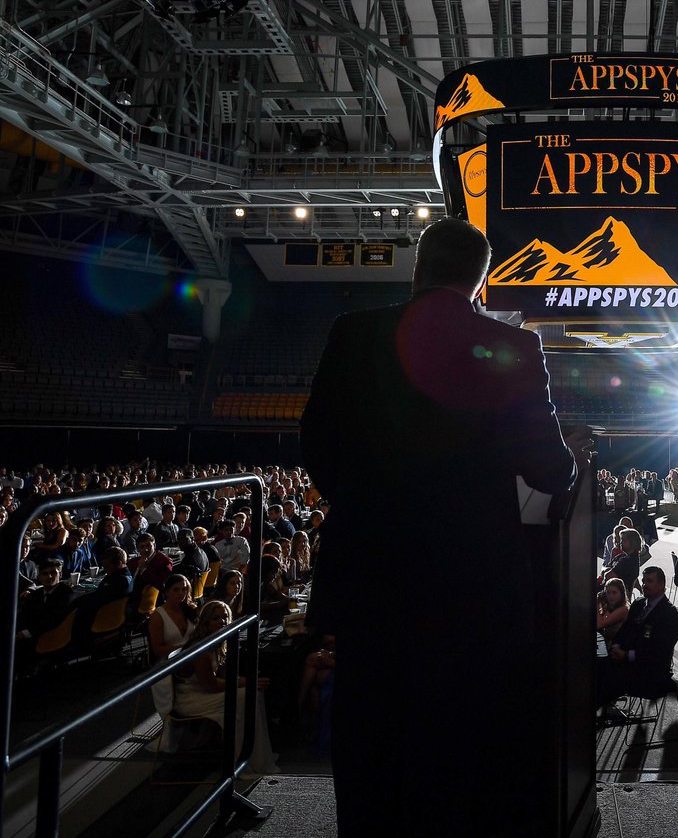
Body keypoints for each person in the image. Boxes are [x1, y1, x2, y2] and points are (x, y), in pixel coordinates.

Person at [301, 217, 583, 836]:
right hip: (472, 586)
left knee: (369, 737)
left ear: (418, 268)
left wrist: (369, 508)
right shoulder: (511, 347)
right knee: (456, 742)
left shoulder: (353, 333)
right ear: (481, 280)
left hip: (370, 577)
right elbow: (549, 470)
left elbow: (315, 442)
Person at [172, 601, 278, 775]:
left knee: (254, 692)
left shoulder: (218, 641)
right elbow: (211, 685)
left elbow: (224, 674)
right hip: (192, 696)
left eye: (225, 617)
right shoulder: (201, 649)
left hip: (206, 689)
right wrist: (246, 683)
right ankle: (243, 760)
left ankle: (256, 754)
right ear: (206, 622)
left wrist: (250, 681)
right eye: (216, 618)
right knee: (245, 696)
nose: (222, 622)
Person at [596, 566, 678, 706]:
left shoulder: (669, 615)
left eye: (650, 581)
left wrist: (626, 655)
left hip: (649, 672)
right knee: (594, 666)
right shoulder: (639, 603)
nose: (644, 585)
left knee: (604, 677)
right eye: (643, 581)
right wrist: (616, 646)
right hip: (625, 661)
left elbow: (657, 653)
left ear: (661, 585)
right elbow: (624, 631)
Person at [147, 573, 198, 662]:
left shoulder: (190, 609)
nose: (181, 593)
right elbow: (157, 650)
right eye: (176, 590)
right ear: (167, 592)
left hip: (192, 657)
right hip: (169, 661)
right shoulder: (158, 616)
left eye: (184, 589)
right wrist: (184, 648)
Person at [596, 577, 629, 642]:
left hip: (617, 645)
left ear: (621, 594)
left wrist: (597, 603)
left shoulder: (623, 609)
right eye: (608, 593)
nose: (611, 596)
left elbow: (599, 625)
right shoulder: (612, 607)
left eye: (614, 593)